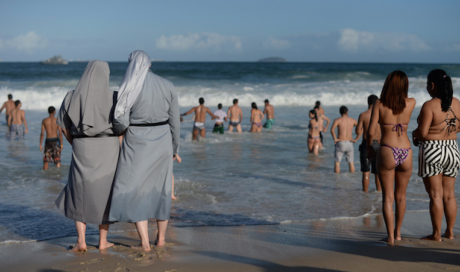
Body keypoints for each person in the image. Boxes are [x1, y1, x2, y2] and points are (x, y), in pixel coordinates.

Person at [109, 50, 180, 251]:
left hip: (137, 141)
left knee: (137, 190)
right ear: (149, 64)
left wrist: (117, 130)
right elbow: (175, 121)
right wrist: (174, 148)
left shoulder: (129, 85)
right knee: (162, 190)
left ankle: (145, 243)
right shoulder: (168, 84)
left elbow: (121, 122)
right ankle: (162, 239)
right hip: (164, 139)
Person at [55, 60, 120, 252]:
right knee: (105, 193)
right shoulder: (114, 97)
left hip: (81, 145)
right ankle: (102, 241)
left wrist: (75, 143)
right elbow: (123, 126)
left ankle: (81, 242)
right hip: (109, 146)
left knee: (78, 192)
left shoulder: (70, 96)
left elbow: (64, 127)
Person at [367, 70, 416, 244]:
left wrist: (369, 148)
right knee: (401, 196)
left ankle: (389, 237)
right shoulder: (411, 103)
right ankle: (398, 233)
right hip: (406, 151)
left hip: (387, 149)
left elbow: (371, 131)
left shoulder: (379, 104)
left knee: (387, 196)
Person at [413, 69, 459, 241]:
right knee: (450, 195)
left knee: (436, 195)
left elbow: (423, 133)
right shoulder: (457, 102)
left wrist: (415, 133)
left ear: (432, 85)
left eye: (427, 85)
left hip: (433, 150)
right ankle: (451, 232)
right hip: (452, 149)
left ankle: (437, 234)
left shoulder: (429, 105)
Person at [356, 95, 382, 193]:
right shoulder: (381, 115)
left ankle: (365, 195)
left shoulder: (363, 115)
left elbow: (358, 131)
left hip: (366, 144)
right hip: (379, 144)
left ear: (368, 102)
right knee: (377, 172)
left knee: (366, 172)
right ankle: (378, 193)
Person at [330, 106, 360, 173]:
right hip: (349, 143)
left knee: (337, 162)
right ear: (347, 112)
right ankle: (352, 179)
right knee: (351, 162)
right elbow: (361, 129)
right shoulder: (352, 120)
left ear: (340, 112)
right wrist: (356, 139)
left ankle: (337, 180)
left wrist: (335, 138)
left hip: (341, 142)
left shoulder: (337, 120)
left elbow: (332, 130)